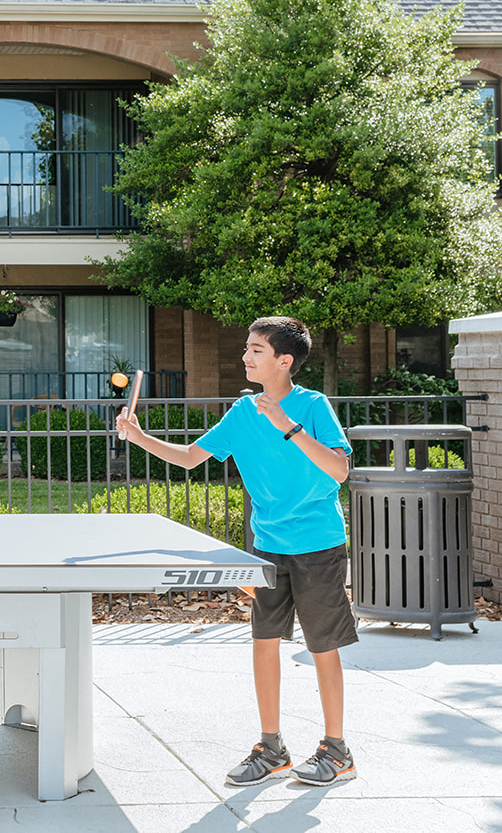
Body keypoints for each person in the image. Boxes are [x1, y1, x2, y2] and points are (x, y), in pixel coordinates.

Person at [115, 317, 357, 788]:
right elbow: (190, 458)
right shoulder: (242, 412)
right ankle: (272, 748)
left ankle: (337, 750)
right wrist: (139, 437)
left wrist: (287, 425)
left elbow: (339, 470)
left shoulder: (313, 405)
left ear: (284, 361)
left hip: (319, 545)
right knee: (264, 644)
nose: (245, 358)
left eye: (255, 351)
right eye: (246, 349)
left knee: (321, 647)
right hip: (267, 546)